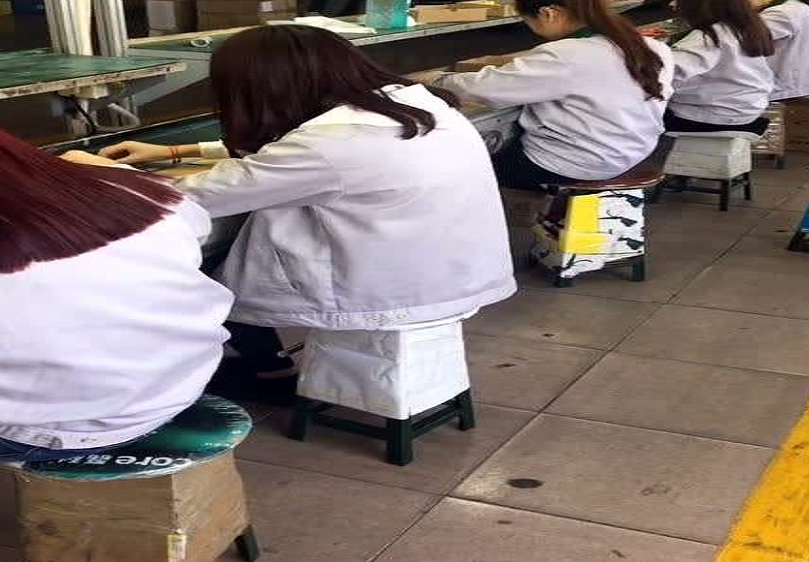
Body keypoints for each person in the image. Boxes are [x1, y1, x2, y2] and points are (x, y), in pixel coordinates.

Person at [97, 25, 517, 403]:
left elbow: (194, 196)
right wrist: (175, 150)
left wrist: (99, 172)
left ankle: (262, 371)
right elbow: (297, 151)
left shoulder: (328, 145)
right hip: (449, 270)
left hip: (387, 286)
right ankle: (262, 362)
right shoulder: (412, 106)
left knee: (198, 267)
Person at [0, 105, 234, 462]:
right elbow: (197, 228)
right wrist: (108, 172)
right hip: (177, 385)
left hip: (57, 429)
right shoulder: (130, 190)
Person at [429, 0, 673, 190]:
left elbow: (484, 89)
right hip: (632, 151)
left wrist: (436, 80)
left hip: (575, 162)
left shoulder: (567, 55)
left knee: (464, 168)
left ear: (549, 13)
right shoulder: (650, 46)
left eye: (528, 20)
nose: (531, 28)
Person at [665, 0, 775, 135]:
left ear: (700, 1)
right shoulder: (745, 26)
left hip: (710, 117)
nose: (672, 4)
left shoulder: (708, 38)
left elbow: (666, 74)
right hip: (745, 109)